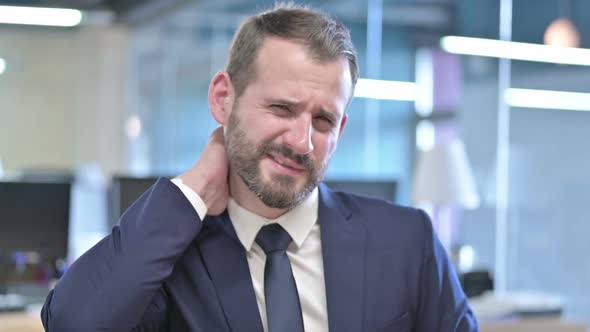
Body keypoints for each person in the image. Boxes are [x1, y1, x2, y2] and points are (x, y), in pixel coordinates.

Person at [41, 3, 478, 332]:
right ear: (223, 99)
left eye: (322, 120)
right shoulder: (173, 256)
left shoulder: (406, 242)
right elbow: (74, 324)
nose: (301, 141)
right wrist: (192, 189)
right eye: (282, 108)